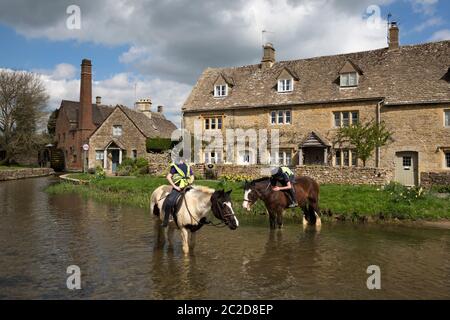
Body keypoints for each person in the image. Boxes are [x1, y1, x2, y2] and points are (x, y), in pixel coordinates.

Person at [161, 159, 194, 227]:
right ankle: (166, 220)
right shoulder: (175, 166)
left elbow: (192, 175)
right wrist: (175, 187)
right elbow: (168, 177)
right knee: (170, 201)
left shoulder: (188, 166)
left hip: (187, 186)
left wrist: (190, 181)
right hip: (178, 187)